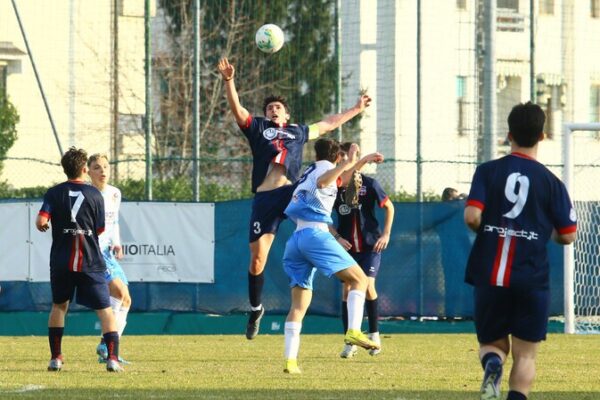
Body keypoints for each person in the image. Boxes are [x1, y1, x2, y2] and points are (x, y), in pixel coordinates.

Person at [217, 57, 372, 339]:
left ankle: (337, 249)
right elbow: (238, 111)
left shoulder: (298, 131)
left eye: (277, 107)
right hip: (265, 198)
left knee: (316, 212)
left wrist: (356, 109)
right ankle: (255, 308)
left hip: (291, 193)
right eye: (269, 108)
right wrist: (229, 81)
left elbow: (327, 124)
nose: (273, 110)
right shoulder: (259, 127)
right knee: (257, 261)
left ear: (285, 115)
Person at [464, 102, 576, 400]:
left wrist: (490, 232)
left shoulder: (487, 172)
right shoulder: (553, 183)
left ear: (508, 134)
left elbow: (472, 216)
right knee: (526, 356)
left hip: (490, 272)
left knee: (493, 344)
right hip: (531, 276)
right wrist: (540, 231)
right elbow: (569, 234)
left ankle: (492, 363)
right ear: (542, 136)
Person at [281, 138, 383, 374]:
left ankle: (290, 361)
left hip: (295, 240)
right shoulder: (326, 171)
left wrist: (357, 161)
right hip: (316, 235)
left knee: (299, 304)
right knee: (359, 280)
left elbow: (343, 179)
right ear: (337, 157)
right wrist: (349, 162)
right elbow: (325, 181)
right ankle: (354, 331)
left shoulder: (310, 169)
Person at [36, 147, 124, 373]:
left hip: (61, 261)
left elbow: (41, 221)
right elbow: (101, 228)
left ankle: (56, 358)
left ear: (65, 169)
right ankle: (112, 359)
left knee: (59, 306)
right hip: (90, 261)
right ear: (84, 169)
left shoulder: (53, 193)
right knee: (105, 309)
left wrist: (47, 224)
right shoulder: (95, 194)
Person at [329, 142, 394, 358]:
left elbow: (389, 207)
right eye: (345, 158)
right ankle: (350, 342)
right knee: (347, 290)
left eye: (350, 158)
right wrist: (337, 237)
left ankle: (374, 334)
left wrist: (385, 234)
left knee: (368, 286)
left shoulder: (370, 184)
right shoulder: (335, 186)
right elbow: (323, 217)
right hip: (347, 248)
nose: (346, 163)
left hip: (369, 245)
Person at [87, 154, 131, 364]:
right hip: (94, 252)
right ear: (88, 172)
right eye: (97, 167)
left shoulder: (115, 193)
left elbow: (114, 222)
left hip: (108, 252)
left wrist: (117, 243)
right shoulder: (86, 195)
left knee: (127, 300)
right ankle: (106, 344)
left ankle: (108, 347)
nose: (103, 171)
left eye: (105, 166)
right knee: (119, 292)